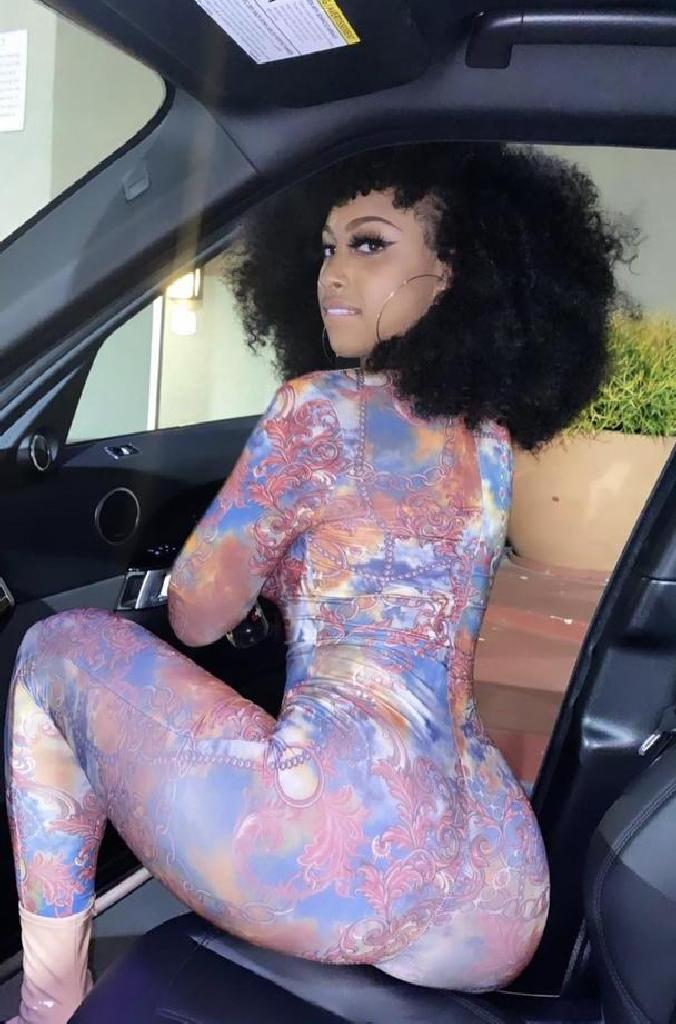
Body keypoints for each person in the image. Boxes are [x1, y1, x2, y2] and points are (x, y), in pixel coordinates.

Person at [4, 141, 635, 1022]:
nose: (332, 273)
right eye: (327, 247)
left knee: (52, 650)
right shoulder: (488, 440)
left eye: (370, 244)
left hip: (333, 863)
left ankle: (46, 1006)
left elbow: (197, 612)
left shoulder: (318, 408)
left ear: (458, 271)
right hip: (493, 889)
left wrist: (250, 558)